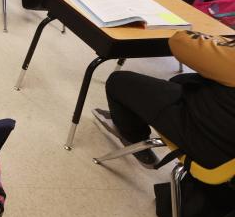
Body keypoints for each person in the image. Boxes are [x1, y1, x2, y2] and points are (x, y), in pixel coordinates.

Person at [93, 30, 235, 169]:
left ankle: (134, 137)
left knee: (118, 82)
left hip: (210, 146)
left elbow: (179, 41)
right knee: (179, 81)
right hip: (227, 156)